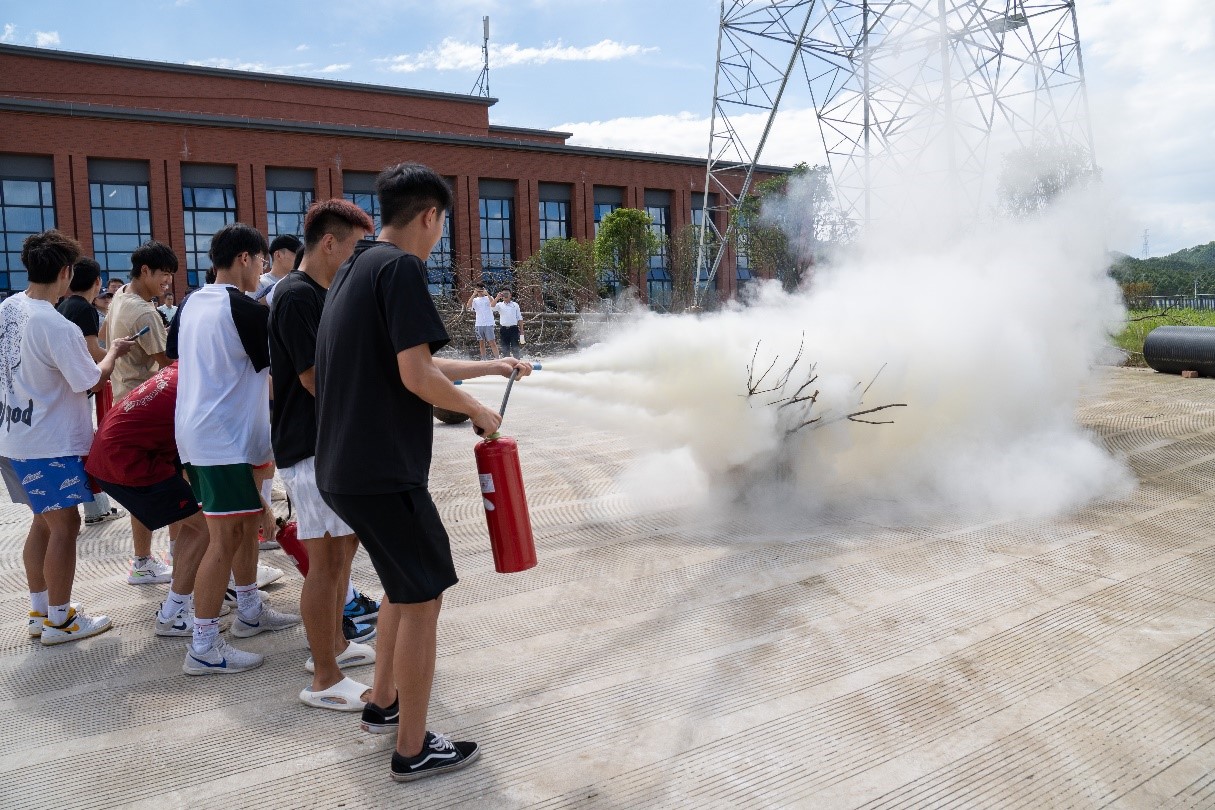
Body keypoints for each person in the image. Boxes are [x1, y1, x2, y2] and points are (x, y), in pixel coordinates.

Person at [315, 163, 531, 781]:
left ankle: (383, 703)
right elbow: (418, 379)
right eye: (444, 224)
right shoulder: (403, 269)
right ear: (431, 215)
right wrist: (480, 412)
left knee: (400, 587)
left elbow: (419, 364)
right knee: (424, 597)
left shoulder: (357, 267)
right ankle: (413, 749)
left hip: (345, 468)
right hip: (383, 471)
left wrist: (490, 371)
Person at [168, 222, 300, 675]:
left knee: (244, 528)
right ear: (245, 258)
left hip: (207, 433)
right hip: (220, 439)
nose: (264, 267)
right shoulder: (243, 309)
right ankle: (203, 646)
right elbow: (280, 375)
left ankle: (249, 611)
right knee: (222, 540)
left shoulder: (189, 303)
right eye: (262, 259)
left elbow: (175, 354)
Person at [270, 199, 378, 711]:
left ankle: (333, 645)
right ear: (329, 243)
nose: (357, 259)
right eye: (354, 248)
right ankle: (325, 678)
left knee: (344, 553)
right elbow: (316, 379)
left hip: (334, 444)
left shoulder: (326, 292)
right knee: (325, 560)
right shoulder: (296, 296)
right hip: (309, 447)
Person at [0, 230, 134, 644]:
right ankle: (60, 619)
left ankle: (41, 612)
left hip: (13, 437)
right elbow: (90, 381)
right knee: (65, 527)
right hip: (49, 444)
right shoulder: (57, 325)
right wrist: (114, 352)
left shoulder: (8, 307)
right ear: (65, 272)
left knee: (42, 524)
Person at [85, 362, 213, 637]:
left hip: (115, 454)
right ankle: (174, 613)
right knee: (202, 530)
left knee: (192, 522)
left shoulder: (180, 368)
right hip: (127, 462)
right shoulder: (202, 383)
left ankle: (182, 601)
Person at [106, 240, 178, 584]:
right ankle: (177, 552)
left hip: (123, 401)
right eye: (164, 274)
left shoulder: (119, 297)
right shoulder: (145, 312)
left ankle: (143, 560)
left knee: (139, 485)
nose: (168, 282)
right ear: (145, 270)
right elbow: (168, 364)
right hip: (148, 408)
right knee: (179, 481)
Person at [57, 257, 125, 528]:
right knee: (86, 449)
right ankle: (95, 509)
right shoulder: (82, 308)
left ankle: (96, 506)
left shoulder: (65, 306)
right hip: (79, 389)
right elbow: (91, 351)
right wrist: (116, 355)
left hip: (65, 389)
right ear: (97, 282)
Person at [254, 234, 302, 306]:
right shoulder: (259, 283)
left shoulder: (300, 283)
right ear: (278, 255)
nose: (300, 258)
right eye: (296, 254)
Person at [464, 285, 499, 360]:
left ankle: (497, 358)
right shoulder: (475, 300)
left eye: (481, 290)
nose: (480, 292)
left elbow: (493, 304)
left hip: (488, 323)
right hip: (479, 324)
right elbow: (468, 306)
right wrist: (473, 294)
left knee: (492, 342)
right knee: (481, 343)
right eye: (478, 290)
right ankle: (483, 359)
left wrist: (487, 294)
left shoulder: (488, 298)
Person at [494, 289, 524, 359]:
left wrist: (522, 330)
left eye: (507, 293)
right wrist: (497, 297)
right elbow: (492, 306)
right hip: (504, 329)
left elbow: (519, 318)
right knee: (505, 347)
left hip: (513, 328)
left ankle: (517, 361)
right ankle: (507, 363)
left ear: (510, 295)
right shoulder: (499, 305)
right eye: (504, 294)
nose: (505, 295)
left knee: (515, 346)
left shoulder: (515, 305)